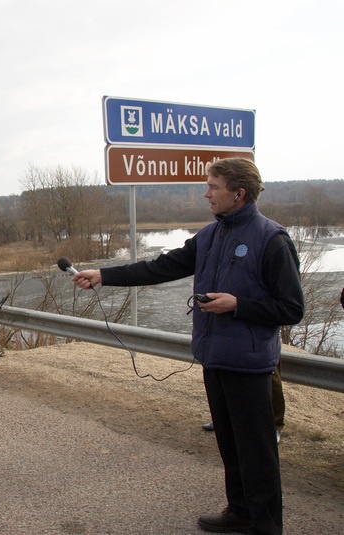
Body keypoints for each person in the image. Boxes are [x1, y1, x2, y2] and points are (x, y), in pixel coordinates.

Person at [73, 158, 304, 534]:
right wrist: (104, 275)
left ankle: (266, 526)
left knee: (257, 454)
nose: (206, 193)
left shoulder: (271, 239)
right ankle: (240, 512)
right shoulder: (211, 236)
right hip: (214, 358)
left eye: (213, 186)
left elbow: (292, 307)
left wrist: (237, 304)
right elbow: (160, 267)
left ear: (238, 193)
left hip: (249, 364)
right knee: (230, 446)